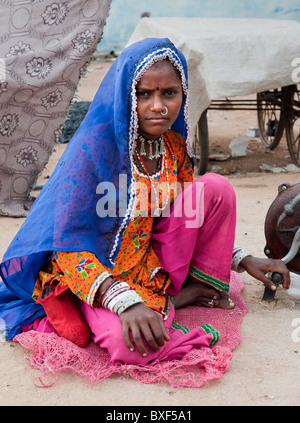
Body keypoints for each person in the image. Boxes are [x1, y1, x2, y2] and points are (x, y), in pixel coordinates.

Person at [0, 38, 290, 365]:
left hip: (147, 263)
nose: (158, 106)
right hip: (94, 268)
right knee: (130, 347)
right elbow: (68, 244)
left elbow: (187, 215)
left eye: (169, 93)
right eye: (144, 94)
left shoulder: (175, 146)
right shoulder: (95, 150)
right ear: (127, 95)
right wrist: (123, 301)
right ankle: (168, 302)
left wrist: (241, 258)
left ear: (183, 95)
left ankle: (183, 290)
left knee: (214, 187)